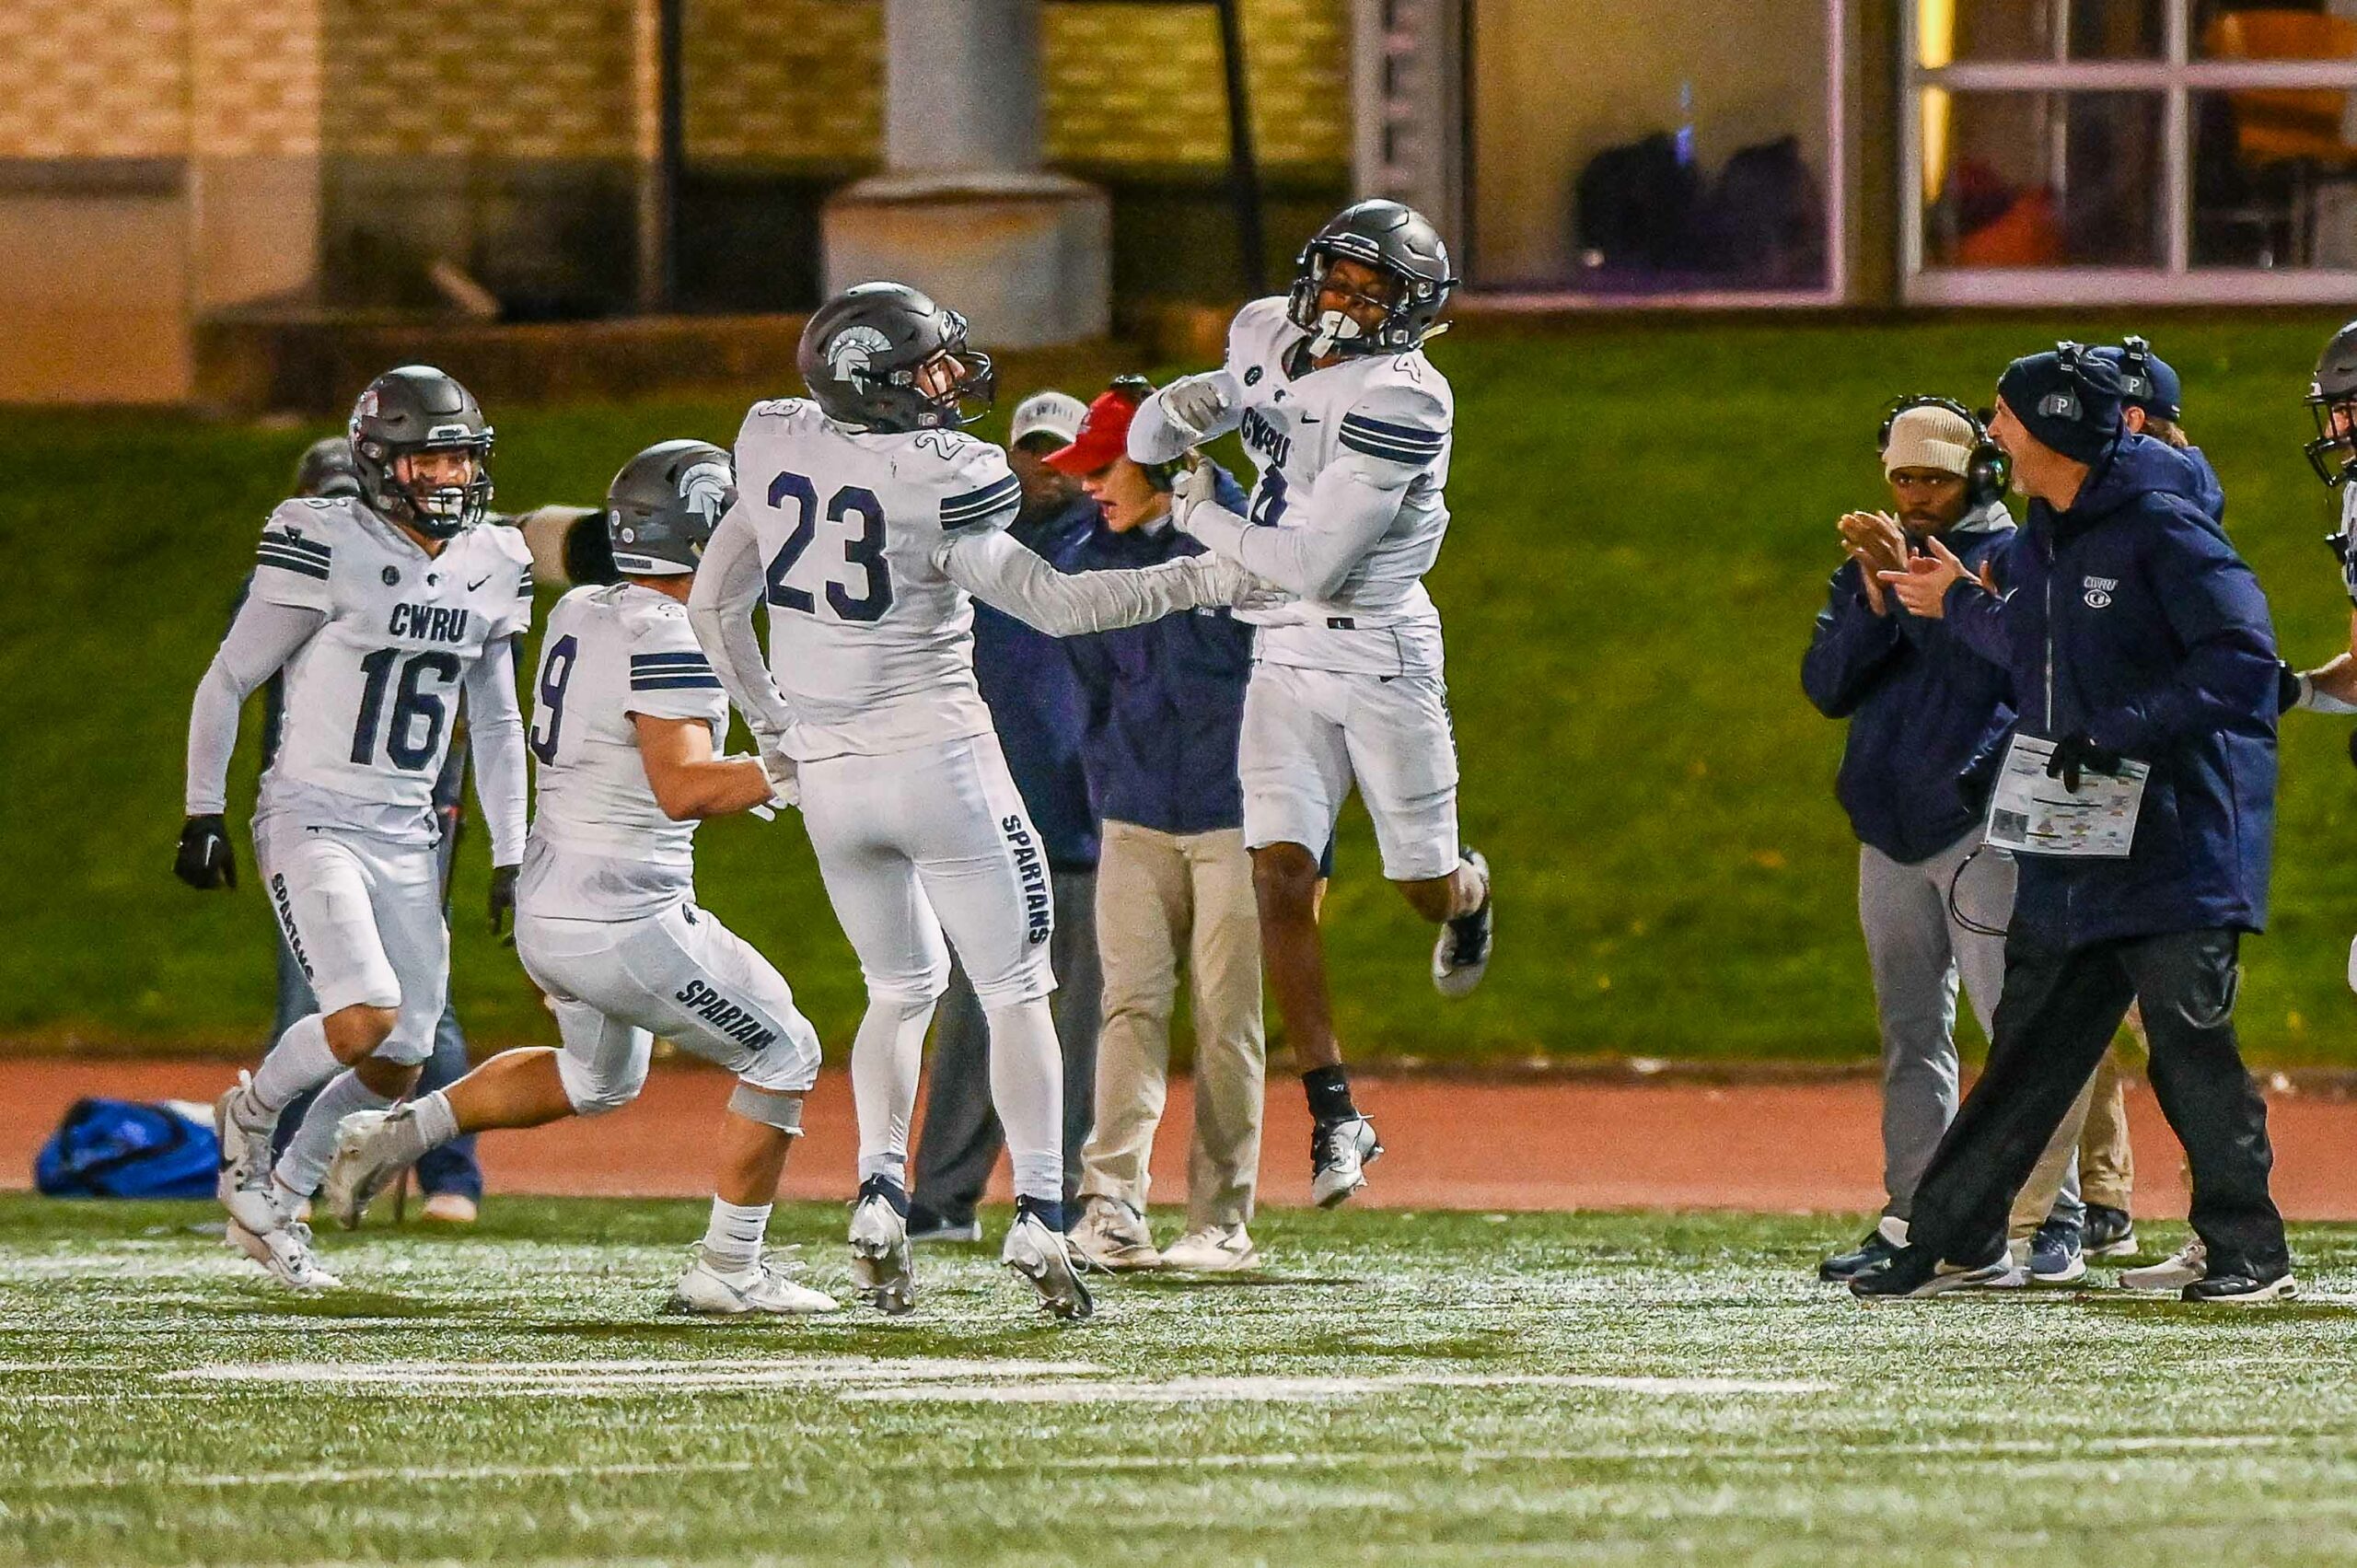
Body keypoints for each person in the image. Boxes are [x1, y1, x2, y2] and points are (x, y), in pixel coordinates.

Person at [686, 281, 1265, 1321]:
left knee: (897, 987)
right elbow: (1059, 604)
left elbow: (713, 603)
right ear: (876, 382)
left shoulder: (774, 440)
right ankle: (1040, 1211)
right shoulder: (946, 475)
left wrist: (773, 727)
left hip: (832, 775)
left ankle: (877, 1194)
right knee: (1015, 988)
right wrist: (1202, 579)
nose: (953, 380)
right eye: (931, 367)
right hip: (940, 762)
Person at [324, 441, 832, 1316]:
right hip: (623, 915)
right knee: (785, 1050)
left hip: (553, 901)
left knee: (597, 1079)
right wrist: (798, 765)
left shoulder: (584, 610)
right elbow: (683, 786)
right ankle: (730, 1267)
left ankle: (392, 1135)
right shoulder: (674, 633)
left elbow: (561, 548)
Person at [1863, 343, 2293, 1304]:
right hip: (2076, 834)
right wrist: (1953, 603)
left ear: (2055, 429)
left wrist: (2116, 731)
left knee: (2187, 1043)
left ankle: (2248, 1250)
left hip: (2175, 834)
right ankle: (1957, 1239)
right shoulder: (2048, 530)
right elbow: (2033, 646)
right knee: (2028, 1045)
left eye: (2004, 416)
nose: (1994, 435)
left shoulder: (2164, 526)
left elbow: (2241, 662)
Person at [1128, 199, 1494, 1208]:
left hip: (1377, 647)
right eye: (1338, 277)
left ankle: (1468, 894)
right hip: (1282, 648)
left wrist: (1198, 511)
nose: (1343, 300)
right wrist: (1169, 413)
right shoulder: (1263, 329)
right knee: (1280, 875)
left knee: (1417, 876)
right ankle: (1336, 1112)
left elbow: (1316, 564)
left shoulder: (1404, 398)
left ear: (1409, 312)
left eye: (1371, 291)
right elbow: (1209, 406)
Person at [177, 366, 532, 1291]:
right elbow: (229, 678)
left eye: (461, 457)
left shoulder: (493, 556)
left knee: (402, 1059)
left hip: (410, 832)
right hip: (314, 814)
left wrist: (512, 851)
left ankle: (281, 1198)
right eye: (430, 459)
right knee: (364, 1012)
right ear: (379, 462)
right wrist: (202, 808)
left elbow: (497, 721)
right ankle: (250, 1115)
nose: (450, 476)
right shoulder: (321, 537)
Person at [1047, 377, 1265, 1273]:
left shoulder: (1247, 539)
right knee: (1128, 1007)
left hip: (1238, 817)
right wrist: (1109, 784)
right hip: (1134, 815)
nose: (1088, 483)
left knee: (1227, 1019)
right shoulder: (1087, 561)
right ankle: (1111, 1207)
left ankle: (1220, 1219)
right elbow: (1092, 693)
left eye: (1106, 466)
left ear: (1166, 463)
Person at [1801, 399, 2018, 1283]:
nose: (1919, 493)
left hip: (1980, 821)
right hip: (1889, 827)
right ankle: (1914, 1214)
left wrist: (1924, 599)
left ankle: (2044, 1217)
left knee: (2018, 1030)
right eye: (1904, 477)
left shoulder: (2008, 560)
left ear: (1977, 474)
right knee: (1910, 1030)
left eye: (1935, 476)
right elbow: (1827, 686)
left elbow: (1997, 676)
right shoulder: (1871, 563)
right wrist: (1874, 598)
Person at [905, 389, 1106, 1244]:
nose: (1047, 465)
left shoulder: (1106, 545)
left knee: (1081, 1027)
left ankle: (1064, 1197)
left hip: (1092, 826)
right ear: (1012, 455)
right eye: (1035, 448)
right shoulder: (976, 550)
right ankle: (943, 1194)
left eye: (1064, 451)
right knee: (972, 1013)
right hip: (992, 822)